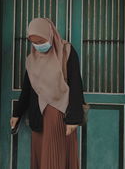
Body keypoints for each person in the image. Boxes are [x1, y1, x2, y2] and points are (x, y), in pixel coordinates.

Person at [10, 17, 85, 169]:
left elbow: (76, 85)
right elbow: (27, 89)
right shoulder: (32, 60)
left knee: (55, 159)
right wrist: (17, 113)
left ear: (50, 35)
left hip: (60, 116)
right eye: (34, 42)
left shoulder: (66, 52)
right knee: (43, 158)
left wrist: (74, 119)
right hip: (38, 116)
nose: (38, 46)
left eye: (41, 41)